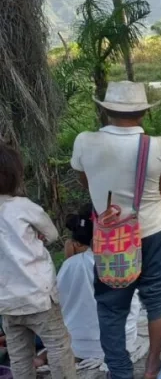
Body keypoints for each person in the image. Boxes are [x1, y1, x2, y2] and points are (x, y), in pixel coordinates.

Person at [71, 81, 161, 379]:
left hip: (109, 239)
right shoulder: (158, 146)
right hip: (155, 229)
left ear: (105, 110)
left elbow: (86, 182)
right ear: (143, 112)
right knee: (156, 298)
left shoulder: (84, 141)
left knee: (111, 306)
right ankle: (152, 364)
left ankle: (119, 371)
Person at [0, 144, 77, 379]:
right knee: (58, 346)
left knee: (19, 355)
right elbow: (52, 234)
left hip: (7, 301)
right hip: (38, 295)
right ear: (15, 176)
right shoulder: (24, 208)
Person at [57, 204, 141, 363]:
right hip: (125, 340)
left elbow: (59, 301)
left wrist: (70, 257)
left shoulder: (71, 265)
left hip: (82, 347)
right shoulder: (126, 258)